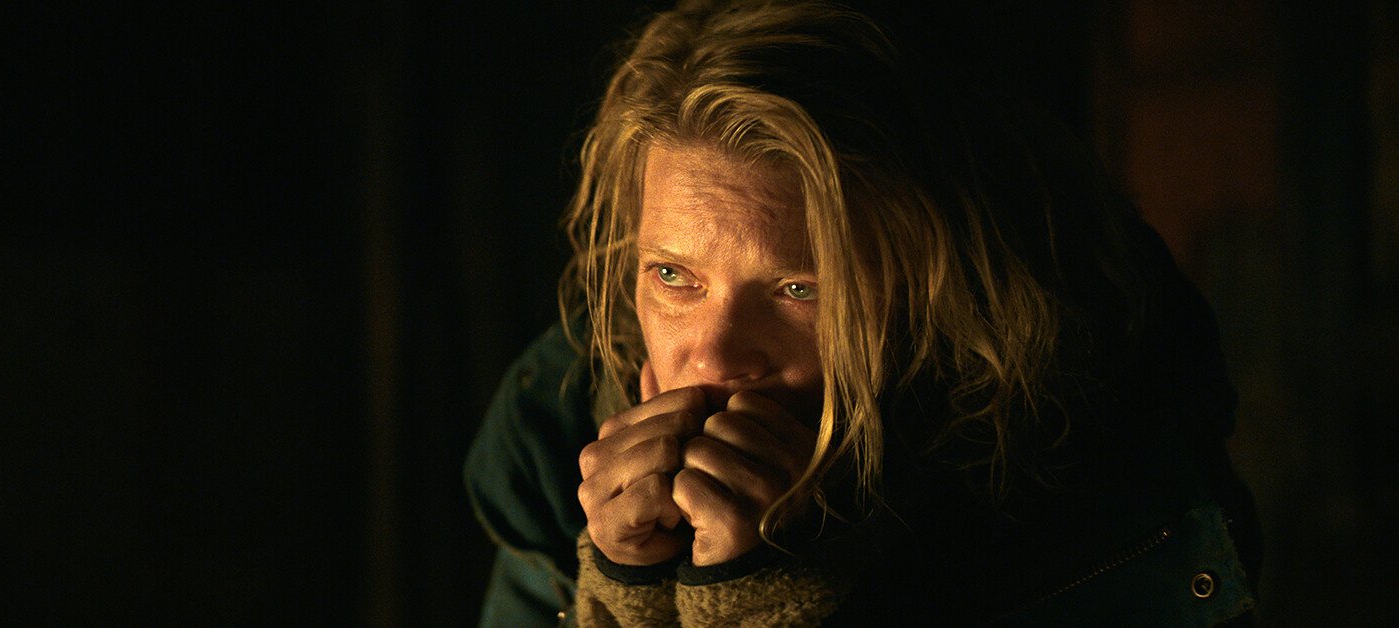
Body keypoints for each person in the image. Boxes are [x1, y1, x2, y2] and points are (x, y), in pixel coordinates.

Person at [465, 0, 1261, 624]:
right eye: (674, 276)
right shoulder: (558, 435)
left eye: (800, 289)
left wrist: (777, 597)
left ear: (936, 293)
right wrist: (626, 589)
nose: (712, 358)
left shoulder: (1091, 477)